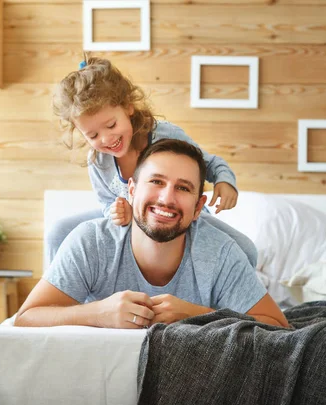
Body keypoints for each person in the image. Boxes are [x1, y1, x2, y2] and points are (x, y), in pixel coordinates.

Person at [15, 139, 288, 328]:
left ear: (198, 208)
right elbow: (26, 317)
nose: (166, 198)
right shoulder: (91, 242)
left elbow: (277, 325)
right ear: (132, 191)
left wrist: (196, 315)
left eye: (183, 188)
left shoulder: (221, 253)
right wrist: (99, 312)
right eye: (156, 181)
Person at [47, 56, 258, 268]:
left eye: (111, 125)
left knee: (245, 249)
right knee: (58, 233)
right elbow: (105, 202)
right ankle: (64, 296)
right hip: (134, 220)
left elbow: (210, 163)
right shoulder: (98, 161)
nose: (105, 139)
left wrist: (225, 181)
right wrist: (116, 212)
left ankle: (237, 298)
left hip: (179, 215)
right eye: (92, 135)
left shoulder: (165, 135)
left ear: (128, 107)